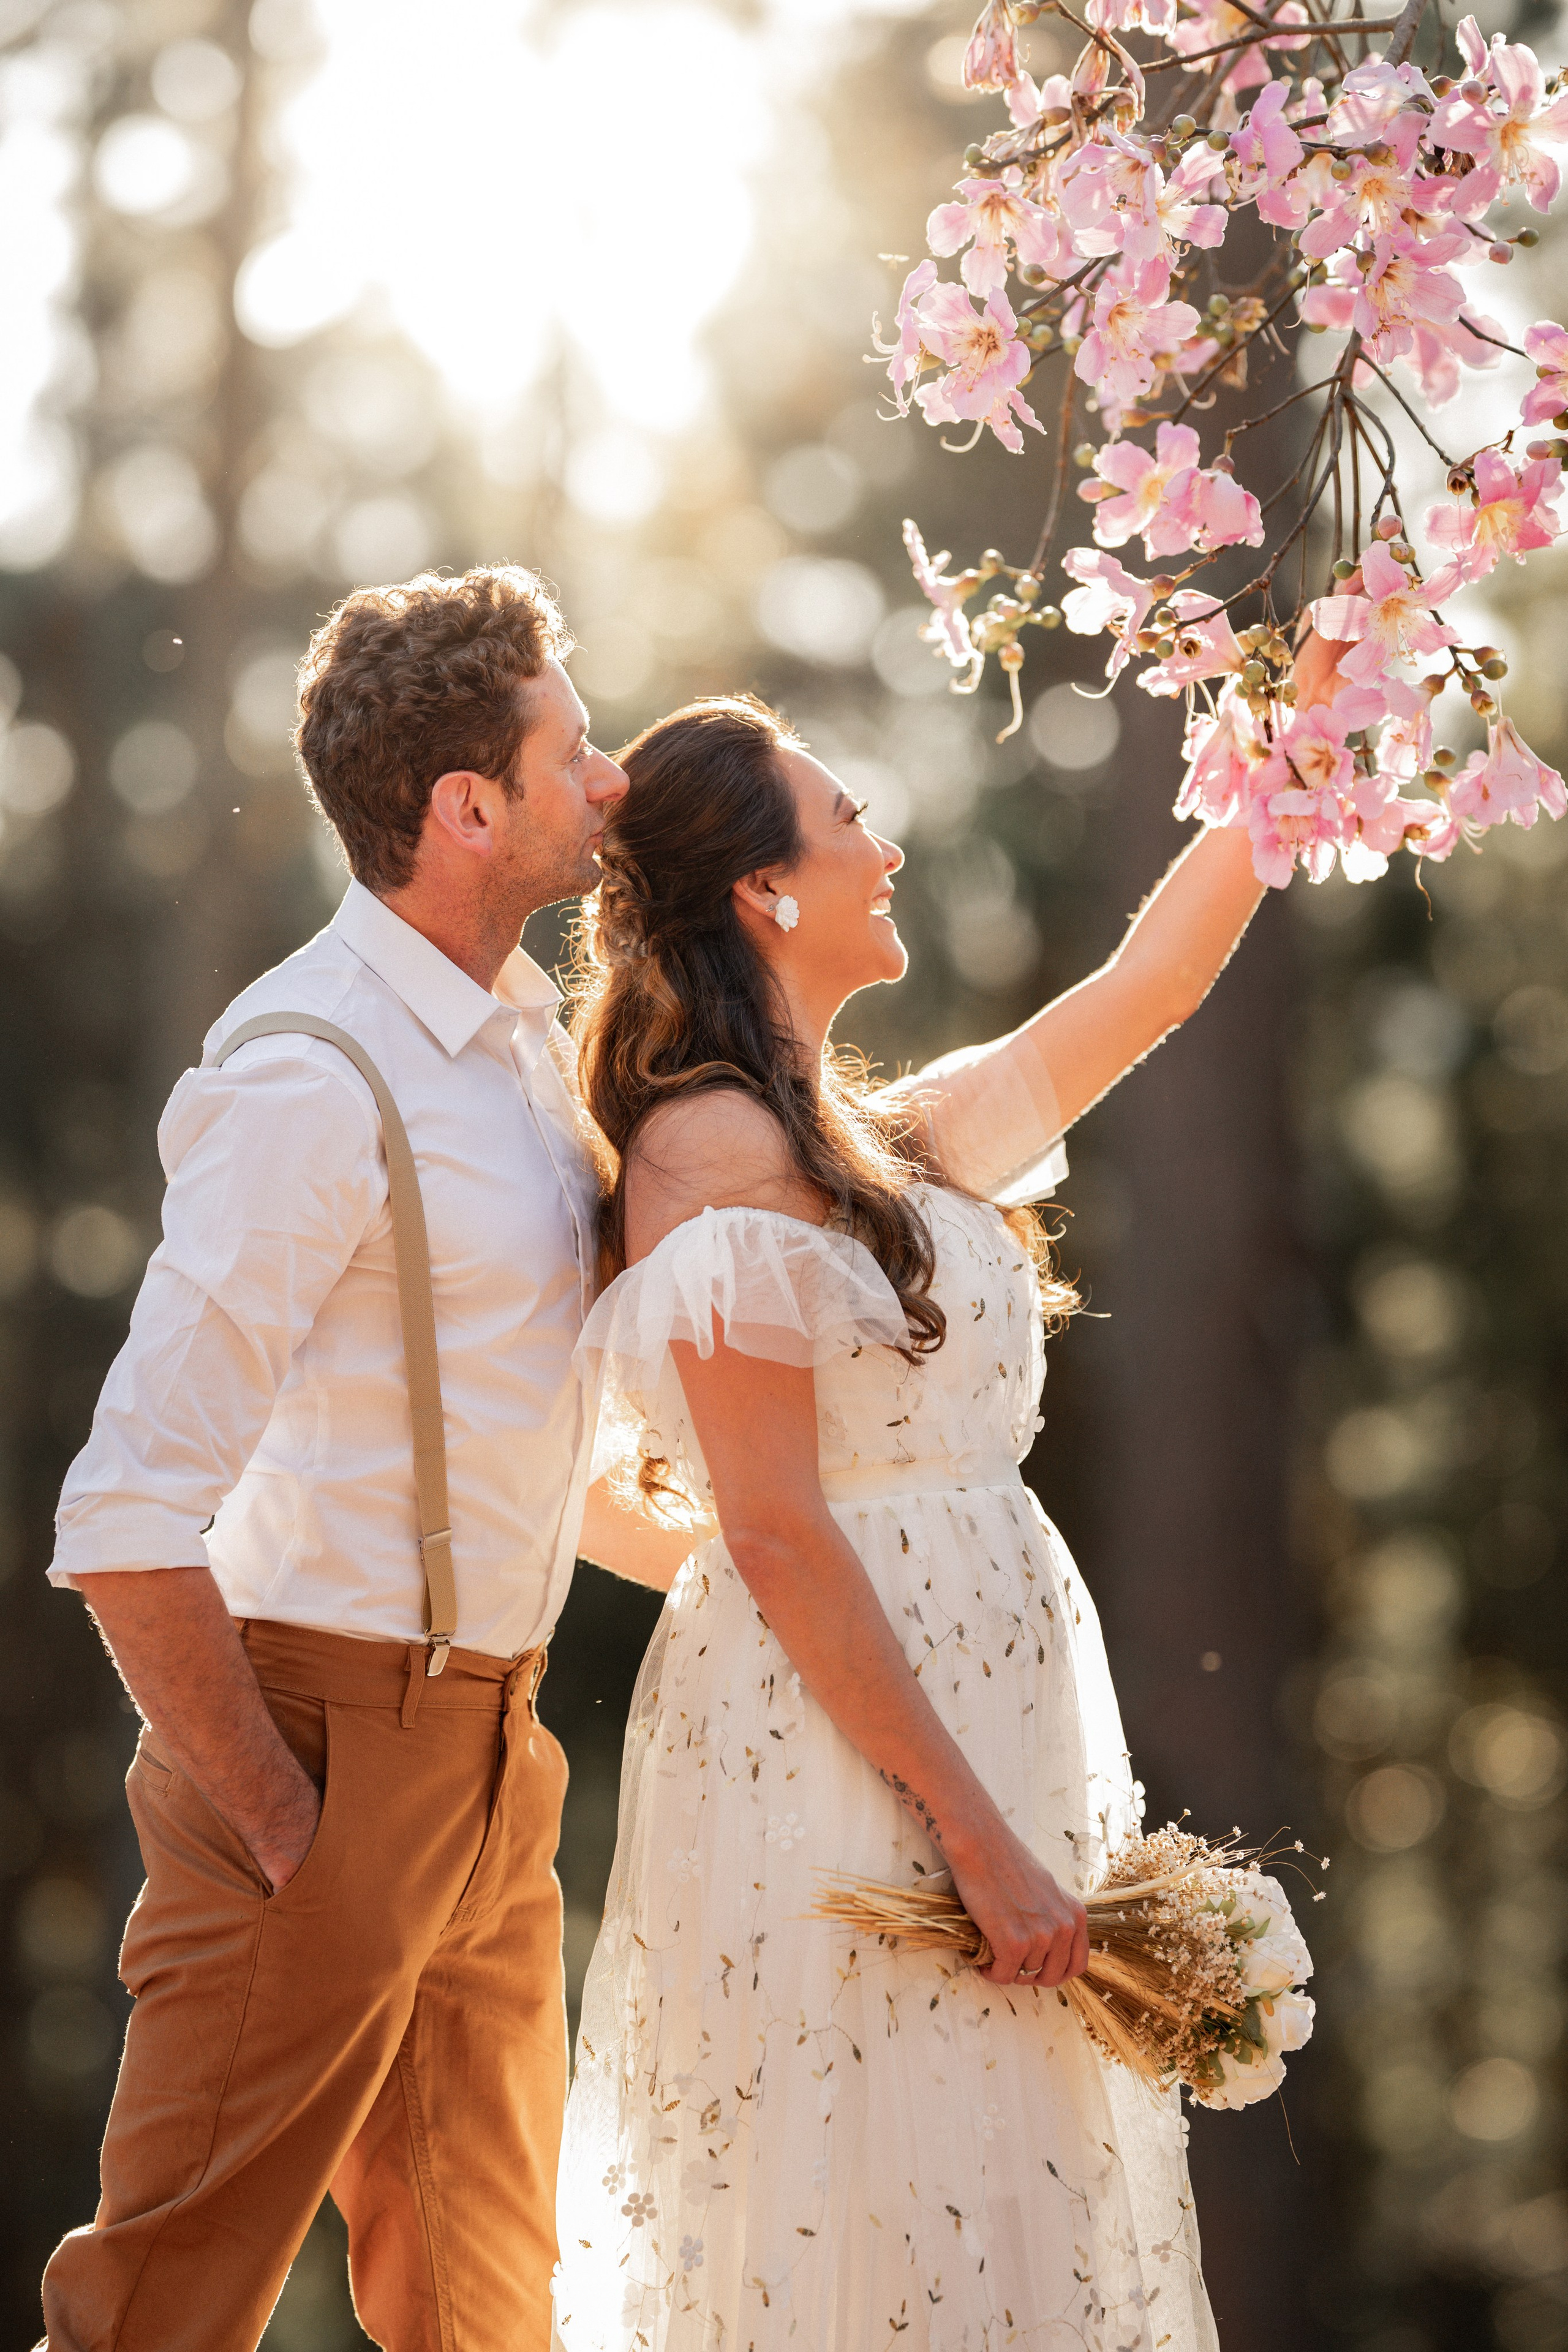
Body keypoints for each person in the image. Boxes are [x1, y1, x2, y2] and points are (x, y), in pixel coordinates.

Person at [549, 652, 1338, 2349]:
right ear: (764, 890)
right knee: (879, 2213)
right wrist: (978, 1840)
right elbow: (770, 1530)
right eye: (848, 819)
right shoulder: (709, 1156)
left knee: (1001, 2208)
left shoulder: (876, 1145)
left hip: (991, 1721)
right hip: (861, 1770)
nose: (887, 846)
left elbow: (1154, 982)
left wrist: (1300, 719)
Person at [39, 566, 688, 2352]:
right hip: (316, 1745)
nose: (613, 776)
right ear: (469, 808)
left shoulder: (519, 1056)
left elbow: (519, 1449)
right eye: (573, 750)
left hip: (496, 1755)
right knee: (158, 2315)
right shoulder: (310, 1078)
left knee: (489, 2313)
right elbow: (123, 1515)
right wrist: (286, 1822)